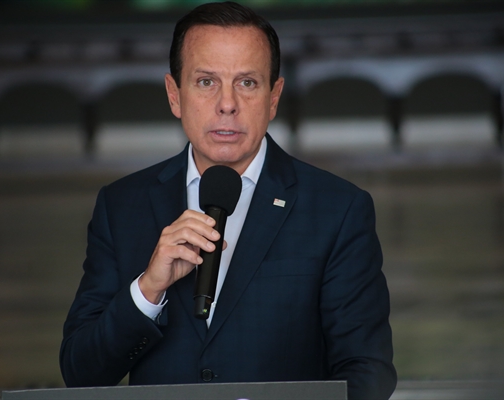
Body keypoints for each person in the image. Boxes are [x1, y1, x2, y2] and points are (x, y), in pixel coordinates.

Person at [60, 2, 397, 399]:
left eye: (247, 83)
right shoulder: (121, 206)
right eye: (206, 81)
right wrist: (148, 290)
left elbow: (367, 373)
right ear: (174, 95)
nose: (227, 103)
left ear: (274, 97)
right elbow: (81, 372)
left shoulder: (338, 209)